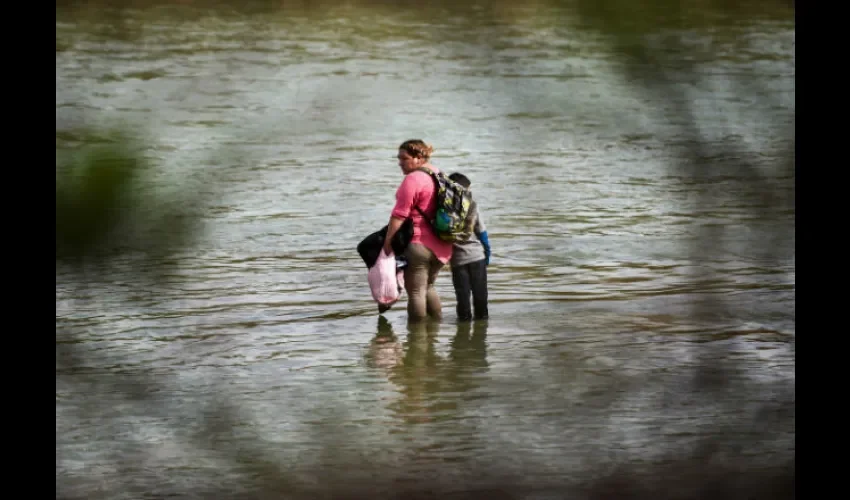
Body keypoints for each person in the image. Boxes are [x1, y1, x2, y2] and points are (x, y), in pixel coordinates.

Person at [382, 140, 453, 322]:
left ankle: (417, 339)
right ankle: (435, 328)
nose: (400, 162)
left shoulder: (413, 179)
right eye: (399, 158)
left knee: (415, 291)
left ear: (418, 158)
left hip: (419, 244)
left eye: (404, 158)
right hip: (443, 243)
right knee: (428, 286)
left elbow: (399, 215)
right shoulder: (439, 174)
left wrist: (388, 243)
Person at [447, 173, 490, 321]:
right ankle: (482, 325)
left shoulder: (443, 209)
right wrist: (487, 254)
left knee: (462, 296)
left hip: (457, 260)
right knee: (480, 294)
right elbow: (482, 233)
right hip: (477, 256)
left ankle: (463, 327)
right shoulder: (471, 205)